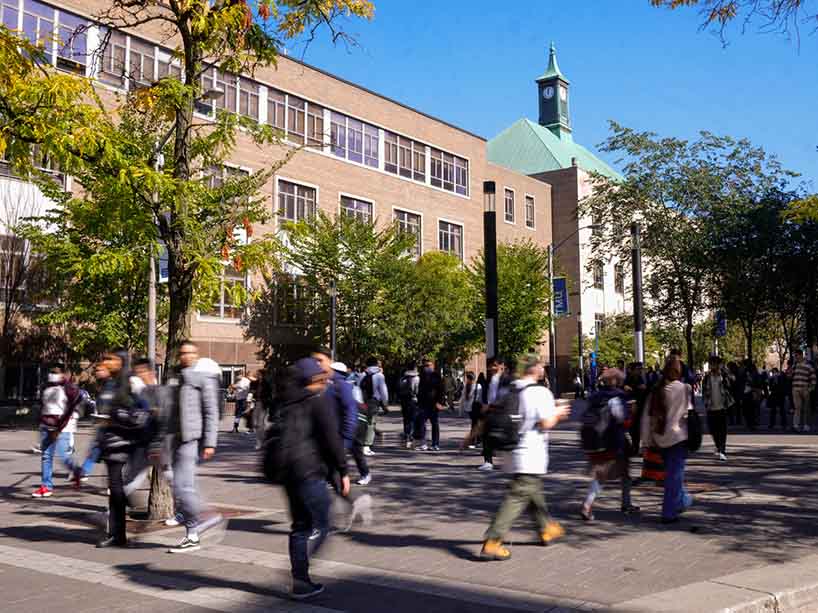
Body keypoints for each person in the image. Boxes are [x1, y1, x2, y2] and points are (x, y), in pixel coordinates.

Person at [480, 354, 569, 561]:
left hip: (510, 450)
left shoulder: (510, 388)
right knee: (518, 495)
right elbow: (546, 423)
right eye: (541, 365)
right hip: (530, 452)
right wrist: (559, 412)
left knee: (531, 489)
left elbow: (491, 413)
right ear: (535, 369)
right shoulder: (540, 392)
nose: (543, 368)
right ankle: (492, 541)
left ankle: (546, 528)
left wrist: (471, 436)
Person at [279, 357, 350, 599]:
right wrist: (343, 470)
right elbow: (331, 439)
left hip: (287, 473)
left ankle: (300, 580)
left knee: (299, 527)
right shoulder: (317, 401)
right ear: (314, 379)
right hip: (309, 471)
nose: (324, 381)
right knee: (322, 524)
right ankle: (301, 572)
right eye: (321, 377)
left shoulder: (287, 401)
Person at [159, 340, 221, 553]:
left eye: (191, 353)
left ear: (196, 354)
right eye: (183, 353)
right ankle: (205, 517)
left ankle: (193, 533)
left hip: (190, 439)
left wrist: (210, 442)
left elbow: (211, 410)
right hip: (172, 438)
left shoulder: (202, 377)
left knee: (182, 486)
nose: (186, 356)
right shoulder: (175, 376)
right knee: (177, 484)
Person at [95, 350, 152, 548]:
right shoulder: (109, 383)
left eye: (110, 359)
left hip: (128, 442)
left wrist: (118, 416)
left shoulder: (132, 383)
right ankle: (117, 534)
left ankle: (119, 533)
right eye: (105, 358)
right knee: (114, 488)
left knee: (117, 488)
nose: (106, 362)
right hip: (111, 441)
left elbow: (145, 411)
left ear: (122, 361)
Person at [580, 368, 639, 521]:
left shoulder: (594, 396)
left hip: (594, 441)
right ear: (618, 381)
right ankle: (622, 504)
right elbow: (622, 419)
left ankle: (624, 503)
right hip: (613, 441)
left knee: (602, 475)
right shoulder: (618, 396)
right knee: (622, 473)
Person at [642, 356, 692, 524]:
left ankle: (681, 502)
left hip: (660, 437)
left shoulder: (656, 390)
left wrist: (646, 441)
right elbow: (688, 413)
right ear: (679, 372)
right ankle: (670, 511)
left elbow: (647, 418)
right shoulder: (685, 388)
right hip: (678, 437)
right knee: (674, 476)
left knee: (673, 473)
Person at [31, 366, 82, 498]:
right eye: (51, 372)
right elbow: (42, 405)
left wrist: (59, 428)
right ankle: (46, 486)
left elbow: (73, 405)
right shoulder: (46, 387)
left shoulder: (68, 388)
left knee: (63, 456)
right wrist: (41, 422)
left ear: (63, 374)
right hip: (46, 426)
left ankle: (76, 471)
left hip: (62, 427)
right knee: (46, 456)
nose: (53, 375)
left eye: (56, 372)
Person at [478, 357, 512, 470]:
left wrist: (492, 406)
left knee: (504, 437)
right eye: (491, 366)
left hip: (501, 411)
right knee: (486, 436)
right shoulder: (491, 379)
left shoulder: (506, 379)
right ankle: (488, 462)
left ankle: (510, 461)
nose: (492, 368)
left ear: (501, 366)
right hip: (490, 411)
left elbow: (505, 396)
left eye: (495, 365)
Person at [702, 355, 732, 461]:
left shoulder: (723, 376)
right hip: (711, 407)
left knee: (722, 430)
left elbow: (730, 385)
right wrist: (705, 402)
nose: (712, 366)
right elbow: (704, 391)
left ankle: (722, 450)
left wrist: (725, 375)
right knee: (713, 430)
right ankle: (718, 446)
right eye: (711, 364)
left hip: (722, 406)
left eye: (714, 363)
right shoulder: (706, 377)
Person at [414, 358, 446, 451]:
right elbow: (419, 390)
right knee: (422, 423)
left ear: (433, 366)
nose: (427, 367)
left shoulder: (436, 376)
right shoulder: (421, 376)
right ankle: (423, 443)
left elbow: (441, 390)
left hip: (434, 404)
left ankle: (435, 444)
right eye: (425, 366)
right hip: (423, 404)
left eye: (429, 365)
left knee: (434, 424)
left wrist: (440, 402)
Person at [360, 357, 389, 456]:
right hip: (373, 401)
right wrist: (385, 403)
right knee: (371, 423)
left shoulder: (362, 374)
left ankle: (362, 443)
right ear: (376, 364)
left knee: (363, 421)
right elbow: (383, 391)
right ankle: (367, 446)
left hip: (362, 401)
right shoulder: (379, 376)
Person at [791, 349, 816, 432]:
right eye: (795, 356)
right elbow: (789, 376)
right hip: (795, 389)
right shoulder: (794, 365)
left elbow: (813, 378)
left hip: (805, 389)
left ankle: (806, 425)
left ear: (801, 355)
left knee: (806, 408)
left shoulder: (808, 365)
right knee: (797, 408)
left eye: (796, 356)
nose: (795, 358)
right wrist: (790, 371)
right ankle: (796, 425)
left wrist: (810, 389)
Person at [398, 363, 420, 449]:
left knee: (406, 419)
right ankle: (411, 438)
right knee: (413, 420)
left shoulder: (402, 378)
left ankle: (406, 436)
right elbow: (417, 391)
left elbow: (399, 389)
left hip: (404, 401)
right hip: (413, 401)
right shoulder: (417, 378)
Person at [461, 371, 483, 449]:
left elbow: (462, 399)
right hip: (476, 407)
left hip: (469, 409)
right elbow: (480, 398)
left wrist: (462, 409)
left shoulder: (466, 386)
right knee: (476, 425)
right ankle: (477, 441)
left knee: (474, 424)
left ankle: (474, 441)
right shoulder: (478, 386)